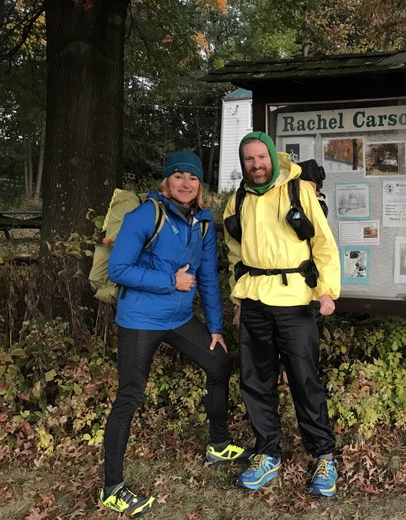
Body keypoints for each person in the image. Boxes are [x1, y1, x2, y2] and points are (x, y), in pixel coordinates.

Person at [98, 151, 248, 517]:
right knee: (129, 397)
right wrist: (170, 281)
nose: (185, 183)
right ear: (166, 181)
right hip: (139, 320)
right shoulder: (146, 214)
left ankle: (218, 444)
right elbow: (119, 269)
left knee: (218, 364)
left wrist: (215, 326)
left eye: (193, 178)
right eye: (178, 176)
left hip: (179, 319)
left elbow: (209, 276)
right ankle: (112, 488)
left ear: (201, 186)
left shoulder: (202, 221)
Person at [223, 131, 341, 497]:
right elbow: (235, 254)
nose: (256, 165)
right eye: (249, 160)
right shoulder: (238, 199)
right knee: (256, 381)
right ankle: (268, 451)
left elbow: (323, 242)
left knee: (305, 379)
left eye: (261, 158)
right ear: (243, 163)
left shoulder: (298, 191)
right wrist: (239, 300)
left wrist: (327, 290)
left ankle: (323, 455)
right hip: (255, 299)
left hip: (295, 301)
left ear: (272, 157)